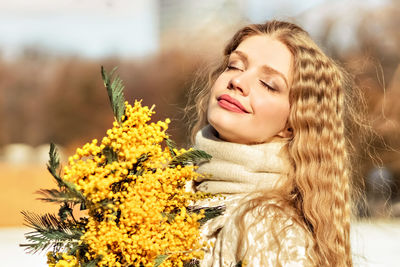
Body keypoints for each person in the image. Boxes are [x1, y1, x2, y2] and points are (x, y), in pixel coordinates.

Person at [185, 20, 367, 266]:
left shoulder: (270, 229)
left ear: (294, 123)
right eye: (234, 66)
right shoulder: (167, 189)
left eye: (268, 84)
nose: (237, 82)